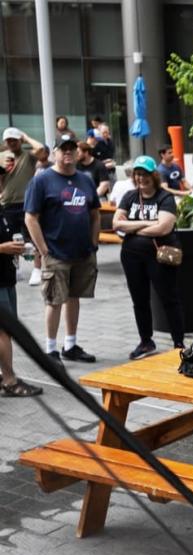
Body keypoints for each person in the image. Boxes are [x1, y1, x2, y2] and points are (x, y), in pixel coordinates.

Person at [23, 133, 100, 365]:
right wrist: (44, 249)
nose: (67, 152)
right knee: (54, 300)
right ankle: (50, 349)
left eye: (71, 149)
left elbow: (95, 214)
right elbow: (30, 218)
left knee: (74, 297)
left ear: (77, 152)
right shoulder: (42, 180)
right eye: (62, 149)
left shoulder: (85, 180)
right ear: (54, 153)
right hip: (55, 252)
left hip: (82, 252)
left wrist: (94, 243)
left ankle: (70, 344)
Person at [112, 156, 184, 360]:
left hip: (159, 256)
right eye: (138, 174)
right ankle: (146, 342)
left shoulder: (165, 197)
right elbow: (116, 224)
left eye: (145, 174)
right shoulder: (129, 196)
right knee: (139, 300)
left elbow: (164, 227)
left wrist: (132, 228)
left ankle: (178, 343)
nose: (141, 178)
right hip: (131, 257)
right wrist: (148, 223)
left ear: (154, 175)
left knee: (169, 298)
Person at [0, 217, 41, 397]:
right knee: (3, 332)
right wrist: (2, 248)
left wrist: (18, 249)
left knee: (7, 332)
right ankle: (9, 381)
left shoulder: (3, 212)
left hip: (7, 278)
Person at [0, 127, 44, 286]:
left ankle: (37, 269)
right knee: (11, 238)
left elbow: (41, 150)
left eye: (14, 139)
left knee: (32, 238)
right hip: (7, 203)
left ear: (19, 140)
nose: (11, 143)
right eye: (8, 140)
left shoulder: (28, 156)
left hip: (27, 202)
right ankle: (14, 267)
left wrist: (26, 137)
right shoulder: (2, 157)